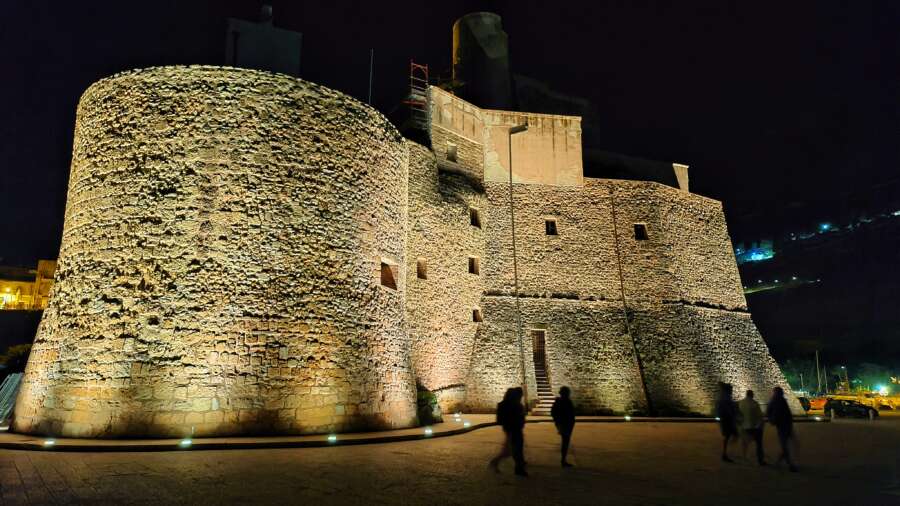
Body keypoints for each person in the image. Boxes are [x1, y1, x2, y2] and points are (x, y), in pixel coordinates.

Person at [489, 387, 528, 476]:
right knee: (512, 450)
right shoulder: (513, 405)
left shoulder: (509, 404)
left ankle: (518, 466)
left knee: (512, 449)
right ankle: (518, 468)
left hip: (512, 429)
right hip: (513, 429)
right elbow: (513, 417)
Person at [767, 386, 798, 472]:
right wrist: (773, 420)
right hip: (783, 426)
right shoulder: (777, 401)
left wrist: (772, 420)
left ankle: (779, 463)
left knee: (785, 446)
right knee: (785, 446)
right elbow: (770, 412)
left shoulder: (776, 401)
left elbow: (769, 412)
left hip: (784, 425)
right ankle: (789, 465)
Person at [737, 390, 766, 465]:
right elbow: (760, 416)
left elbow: (739, 415)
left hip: (744, 426)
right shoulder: (755, 404)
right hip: (753, 427)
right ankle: (760, 459)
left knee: (744, 442)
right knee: (759, 443)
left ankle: (744, 457)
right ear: (752, 395)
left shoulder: (741, 403)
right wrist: (761, 425)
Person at [551, 386, 576, 467]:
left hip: (565, 424)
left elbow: (553, 413)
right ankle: (563, 460)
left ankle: (563, 460)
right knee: (565, 442)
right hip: (565, 424)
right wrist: (558, 422)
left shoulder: (559, 401)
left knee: (565, 442)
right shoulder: (564, 402)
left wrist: (557, 422)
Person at [715, 382, 738, 462]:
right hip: (727, 419)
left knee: (729, 436)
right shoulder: (725, 398)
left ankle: (726, 453)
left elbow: (719, 409)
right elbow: (727, 409)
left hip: (726, 419)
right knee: (731, 435)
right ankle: (726, 454)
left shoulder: (724, 397)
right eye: (731, 389)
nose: (732, 390)